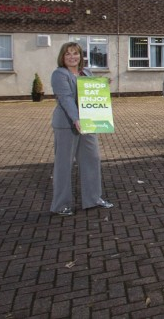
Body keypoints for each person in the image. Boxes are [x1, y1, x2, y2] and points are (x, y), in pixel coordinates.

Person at [50, 41, 114, 216]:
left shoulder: (86, 72)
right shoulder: (59, 74)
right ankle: (61, 205)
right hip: (66, 125)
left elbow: (90, 93)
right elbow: (66, 98)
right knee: (64, 165)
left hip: (88, 122)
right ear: (62, 57)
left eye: (75, 53)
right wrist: (76, 119)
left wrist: (102, 85)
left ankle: (93, 198)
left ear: (81, 56)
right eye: (68, 54)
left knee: (92, 160)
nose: (72, 57)